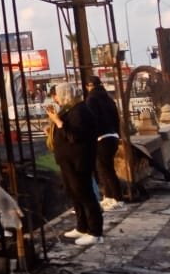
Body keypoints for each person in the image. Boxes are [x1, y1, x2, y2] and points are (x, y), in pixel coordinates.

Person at [46, 82, 103, 246]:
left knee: (85, 193)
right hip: (68, 161)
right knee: (74, 193)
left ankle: (95, 231)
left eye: (58, 95)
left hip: (79, 160)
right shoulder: (69, 110)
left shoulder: (80, 111)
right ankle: (82, 226)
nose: (56, 98)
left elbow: (74, 136)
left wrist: (58, 122)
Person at [84, 76, 124, 209]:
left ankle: (117, 198)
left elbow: (91, 120)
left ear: (89, 86)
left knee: (105, 170)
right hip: (113, 136)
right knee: (106, 168)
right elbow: (117, 118)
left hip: (101, 138)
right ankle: (108, 197)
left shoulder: (91, 99)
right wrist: (118, 134)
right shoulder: (109, 99)